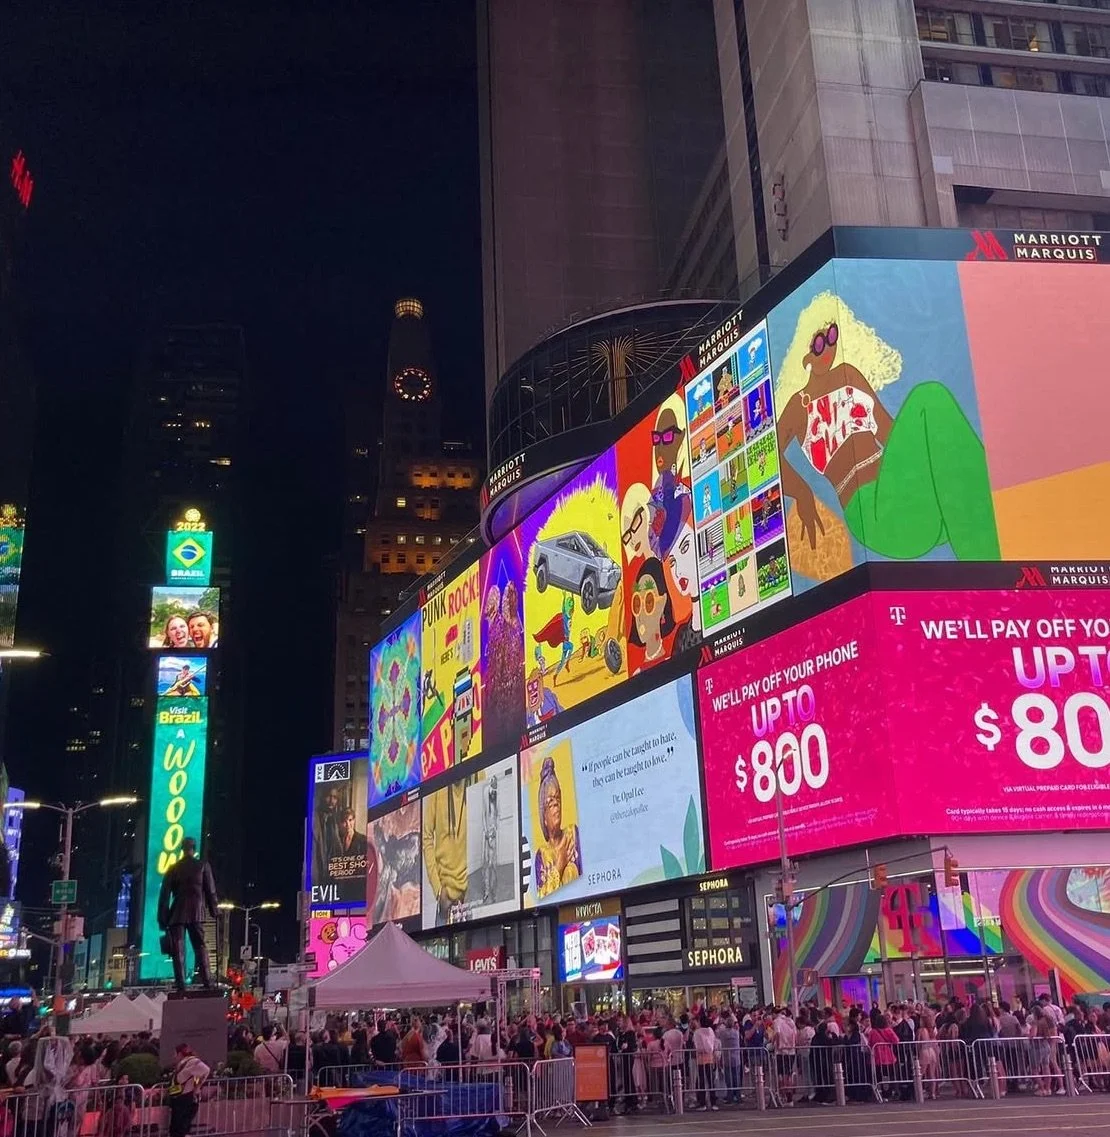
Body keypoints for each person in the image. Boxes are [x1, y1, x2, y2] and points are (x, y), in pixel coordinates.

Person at [774, 298, 1000, 567]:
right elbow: (770, 459)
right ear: (804, 351)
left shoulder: (848, 374)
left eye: (832, 336)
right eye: (820, 342)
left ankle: (1000, 573)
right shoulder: (797, 406)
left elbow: (889, 433)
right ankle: (993, 569)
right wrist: (802, 493)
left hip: (907, 492)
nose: (828, 349)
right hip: (873, 514)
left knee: (935, 407)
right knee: (928, 396)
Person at [157, 836, 217, 991]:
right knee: (200, 946)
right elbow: (210, 891)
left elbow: (164, 896)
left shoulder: (173, 868)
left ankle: (181, 984)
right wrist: (214, 910)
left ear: (182, 849)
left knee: (178, 950)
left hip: (177, 913)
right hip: (196, 913)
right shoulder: (202, 866)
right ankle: (207, 981)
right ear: (194, 849)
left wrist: (162, 919)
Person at [531, 757, 583, 900]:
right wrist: (560, 864)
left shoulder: (573, 833)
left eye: (558, 799)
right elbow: (541, 896)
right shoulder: (541, 855)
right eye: (550, 802)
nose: (556, 805)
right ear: (543, 816)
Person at [168, 1043, 210, 1137]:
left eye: (175, 1054)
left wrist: (197, 1086)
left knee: (181, 1125)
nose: (174, 1057)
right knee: (177, 1125)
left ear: (180, 1053)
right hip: (179, 1095)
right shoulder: (184, 1063)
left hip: (185, 1096)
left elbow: (206, 1070)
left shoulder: (192, 1061)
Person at [691, 1013, 719, 1111]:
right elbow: (714, 1043)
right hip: (710, 1058)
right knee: (711, 1081)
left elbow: (697, 1046)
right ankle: (713, 1103)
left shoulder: (697, 1032)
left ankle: (702, 1103)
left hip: (701, 1059)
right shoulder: (710, 1031)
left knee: (701, 1082)